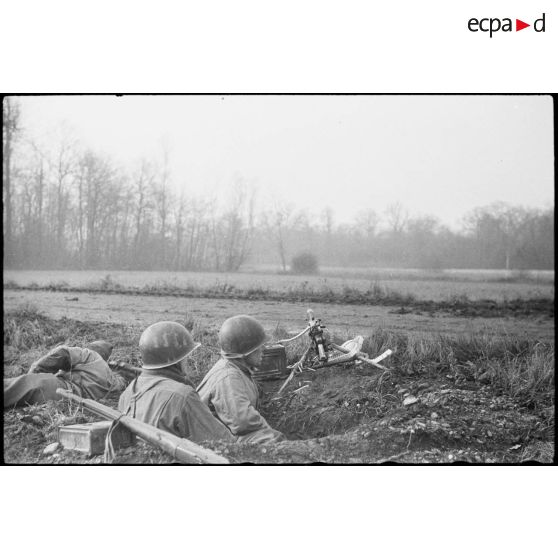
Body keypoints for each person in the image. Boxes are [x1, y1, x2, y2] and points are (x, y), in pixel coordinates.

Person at [118, 321, 234, 443]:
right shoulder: (182, 395)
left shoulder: (128, 392)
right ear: (178, 360)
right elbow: (223, 441)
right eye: (186, 356)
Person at [197, 315, 285, 444]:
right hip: (211, 443)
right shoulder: (229, 377)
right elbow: (243, 422)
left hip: (218, 435)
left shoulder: (234, 368)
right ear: (244, 353)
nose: (263, 349)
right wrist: (269, 431)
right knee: (272, 439)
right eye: (258, 347)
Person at [4, 341, 126, 409]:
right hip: (68, 401)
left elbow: (62, 353)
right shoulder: (114, 379)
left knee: (15, 385)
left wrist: (34, 372)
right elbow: (123, 382)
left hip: (60, 388)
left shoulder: (91, 355)